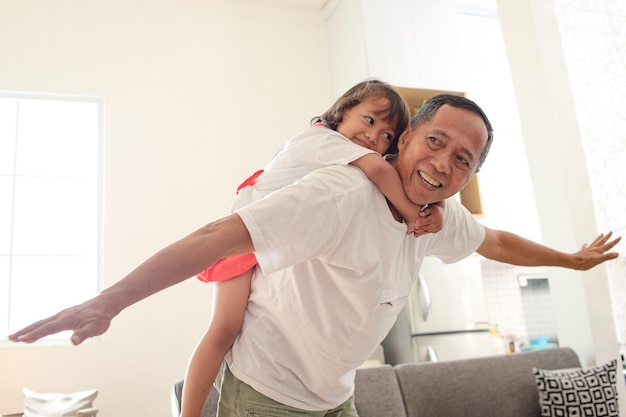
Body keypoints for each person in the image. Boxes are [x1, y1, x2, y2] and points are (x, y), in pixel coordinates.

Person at [9, 94, 620, 417]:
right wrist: (107, 301)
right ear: (404, 140)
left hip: (336, 396)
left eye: (464, 159)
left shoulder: (440, 217)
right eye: (436, 142)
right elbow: (214, 238)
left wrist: (573, 261)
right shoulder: (335, 193)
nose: (443, 164)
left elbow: (497, 240)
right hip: (267, 396)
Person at [184, 79, 445, 417]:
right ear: (343, 109)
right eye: (368, 120)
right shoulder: (323, 139)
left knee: (232, 326)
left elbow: (390, 174)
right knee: (222, 330)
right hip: (247, 234)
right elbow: (382, 170)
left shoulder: (348, 158)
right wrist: (416, 215)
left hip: (267, 234)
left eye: (385, 136)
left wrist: (437, 208)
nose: (373, 137)